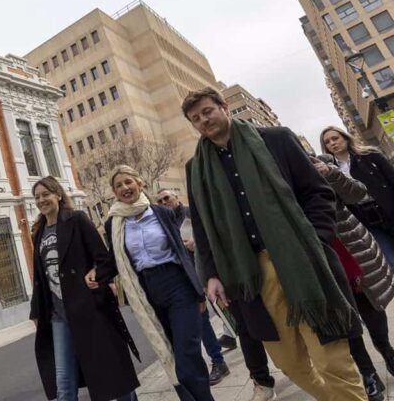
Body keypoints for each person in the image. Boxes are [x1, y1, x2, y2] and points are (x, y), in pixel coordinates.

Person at [183, 86, 366, 401]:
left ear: (224, 107)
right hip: (251, 275)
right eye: (196, 118)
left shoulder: (277, 139)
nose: (204, 120)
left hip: (301, 261)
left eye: (207, 111)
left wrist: (316, 240)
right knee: (290, 364)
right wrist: (211, 273)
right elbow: (202, 226)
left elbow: (318, 193)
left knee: (331, 358)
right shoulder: (195, 169)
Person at [89, 166, 214, 401]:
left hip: (177, 285)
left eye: (128, 182)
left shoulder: (161, 213)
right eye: (119, 186)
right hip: (147, 292)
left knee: (187, 355)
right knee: (170, 354)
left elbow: (181, 251)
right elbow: (116, 259)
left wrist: (199, 291)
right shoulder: (114, 224)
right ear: (114, 192)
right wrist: (97, 274)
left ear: (139, 183)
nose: (125, 188)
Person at [29, 176, 139, 401]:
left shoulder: (77, 219)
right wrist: (37, 311)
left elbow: (103, 257)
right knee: (64, 384)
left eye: (46, 194)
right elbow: (40, 276)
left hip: (88, 308)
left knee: (111, 371)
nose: (41, 200)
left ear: (58, 195)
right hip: (58, 315)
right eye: (37, 197)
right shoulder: (38, 231)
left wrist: (97, 273)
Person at [313, 153, 394, 381]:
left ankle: (386, 350)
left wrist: (332, 173)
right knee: (344, 317)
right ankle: (368, 373)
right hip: (319, 256)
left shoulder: (321, 164)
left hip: (352, 248)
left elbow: (357, 193)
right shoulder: (270, 180)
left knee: (370, 305)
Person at [155, 189, 231, 386]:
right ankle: (218, 361)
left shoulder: (190, 213)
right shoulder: (161, 220)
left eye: (167, 198)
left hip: (204, 269)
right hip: (183, 276)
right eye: (160, 200)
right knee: (202, 319)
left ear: (176, 198)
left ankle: (225, 350)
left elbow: (210, 233)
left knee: (220, 309)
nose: (164, 202)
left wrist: (196, 244)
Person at [321, 126, 394, 267]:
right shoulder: (330, 171)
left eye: (335, 138)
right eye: (328, 142)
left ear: (345, 138)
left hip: (389, 209)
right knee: (390, 259)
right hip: (365, 220)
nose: (332, 143)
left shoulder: (370, 155)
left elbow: (391, 178)